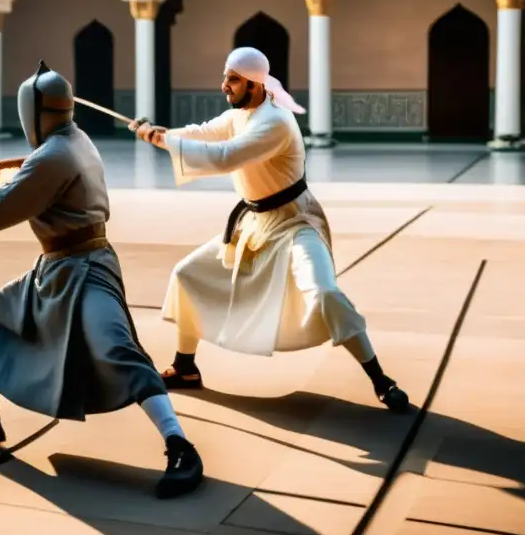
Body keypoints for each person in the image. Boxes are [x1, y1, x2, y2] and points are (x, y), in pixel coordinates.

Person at [0, 61, 204, 499]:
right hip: (56, 269)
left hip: (88, 269)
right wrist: (18, 169)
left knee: (118, 350)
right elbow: (39, 175)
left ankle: (181, 446)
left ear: (32, 114)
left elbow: (0, 207)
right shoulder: (73, 139)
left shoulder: (52, 155)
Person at [131, 47, 409, 413]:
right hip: (254, 225)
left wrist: (162, 140)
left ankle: (380, 379)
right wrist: (162, 134)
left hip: (295, 223)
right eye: (225, 77)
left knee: (324, 292)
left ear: (254, 83)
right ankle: (185, 367)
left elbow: (226, 156)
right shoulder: (241, 114)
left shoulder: (275, 122)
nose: (224, 86)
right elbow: (206, 133)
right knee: (187, 274)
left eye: (232, 79)